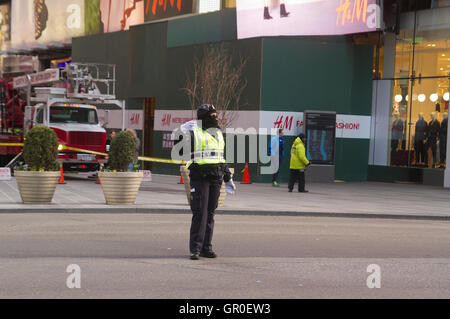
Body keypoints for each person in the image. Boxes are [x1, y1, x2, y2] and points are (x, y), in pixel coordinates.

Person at [179, 104, 236, 260]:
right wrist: (182, 130)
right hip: (200, 176)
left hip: (215, 177)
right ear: (204, 117)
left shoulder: (217, 133)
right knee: (200, 213)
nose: (216, 118)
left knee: (210, 213)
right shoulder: (194, 131)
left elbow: (220, 156)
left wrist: (227, 176)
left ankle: (206, 247)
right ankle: (195, 248)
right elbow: (180, 145)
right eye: (213, 116)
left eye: (216, 115)